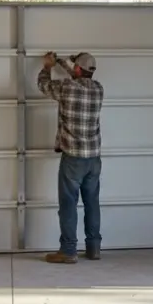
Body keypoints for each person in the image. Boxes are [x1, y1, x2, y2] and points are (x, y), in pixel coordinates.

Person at [37, 51, 104, 264]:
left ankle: (68, 251)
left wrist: (48, 66)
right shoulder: (98, 89)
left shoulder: (66, 88)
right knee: (92, 203)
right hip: (93, 159)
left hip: (73, 158)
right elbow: (80, 76)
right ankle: (94, 248)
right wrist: (63, 63)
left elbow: (43, 85)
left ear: (77, 69)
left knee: (68, 204)